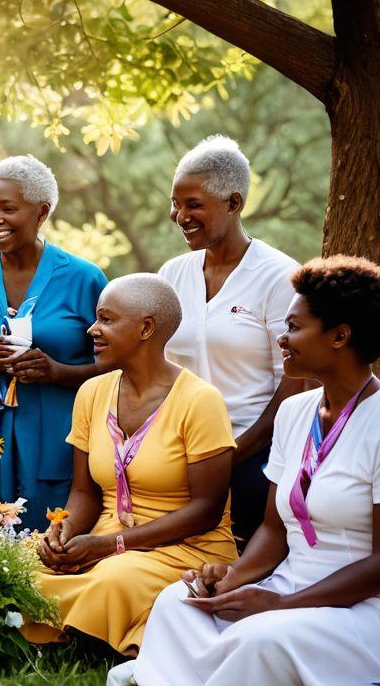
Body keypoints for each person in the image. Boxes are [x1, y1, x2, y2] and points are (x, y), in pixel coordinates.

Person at [110, 257, 380, 686]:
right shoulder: (296, 413)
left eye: (293, 326)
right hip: (293, 584)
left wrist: (282, 604)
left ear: (340, 336)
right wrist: (232, 581)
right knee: (176, 604)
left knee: (263, 637)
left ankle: (224, 683)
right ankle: (220, 676)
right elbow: (273, 528)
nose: (281, 338)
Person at [21, 274, 238, 654]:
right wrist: (62, 532)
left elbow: (206, 511)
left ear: (146, 328)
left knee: (113, 579)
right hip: (104, 541)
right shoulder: (92, 392)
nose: (93, 329)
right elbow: (83, 491)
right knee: (24, 564)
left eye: (106, 319)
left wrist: (110, 545)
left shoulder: (200, 400)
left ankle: (69, 638)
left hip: (185, 547)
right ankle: (71, 629)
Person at [0, 155, 106, 532]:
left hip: (60, 435)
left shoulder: (84, 279)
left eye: (7, 209)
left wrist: (57, 372)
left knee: (54, 542)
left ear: (41, 212)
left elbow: (117, 370)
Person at [159, 136, 306, 546]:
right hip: (178, 457)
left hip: (254, 459)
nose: (179, 215)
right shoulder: (172, 274)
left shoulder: (279, 276)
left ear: (234, 203)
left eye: (193, 205)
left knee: (236, 567)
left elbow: (296, 382)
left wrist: (235, 453)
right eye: (176, 203)